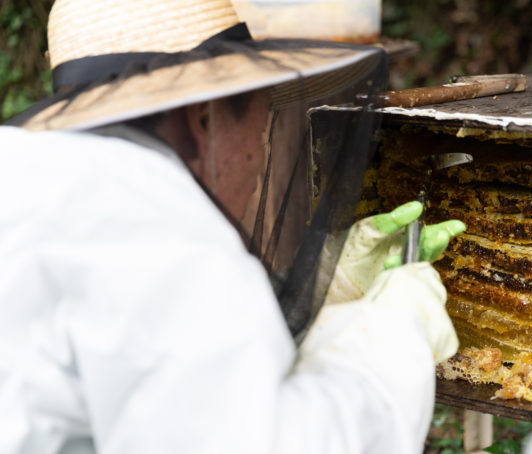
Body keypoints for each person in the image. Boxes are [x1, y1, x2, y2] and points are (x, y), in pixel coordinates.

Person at [0, 0, 463, 452]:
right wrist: (396, 333)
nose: (260, 161)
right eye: (260, 133)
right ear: (205, 121)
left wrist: (327, 281)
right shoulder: (164, 235)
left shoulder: (41, 180)